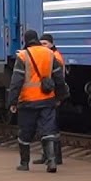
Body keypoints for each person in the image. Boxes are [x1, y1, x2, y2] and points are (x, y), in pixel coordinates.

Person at [6, 29, 68, 172]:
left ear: (26, 40)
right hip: (47, 100)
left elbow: (16, 81)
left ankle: (24, 163)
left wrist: (12, 102)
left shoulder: (23, 56)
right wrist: (60, 96)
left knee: (25, 133)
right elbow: (59, 78)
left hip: (28, 101)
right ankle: (51, 162)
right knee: (48, 130)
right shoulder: (49, 54)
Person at [33, 32, 66, 166]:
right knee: (50, 127)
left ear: (51, 44)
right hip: (49, 96)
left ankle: (52, 156)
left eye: (45, 44)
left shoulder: (54, 57)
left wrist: (58, 97)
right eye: (41, 44)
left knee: (49, 128)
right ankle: (50, 155)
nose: (43, 46)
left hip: (51, 96)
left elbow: (58, 79)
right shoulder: (51, 55)